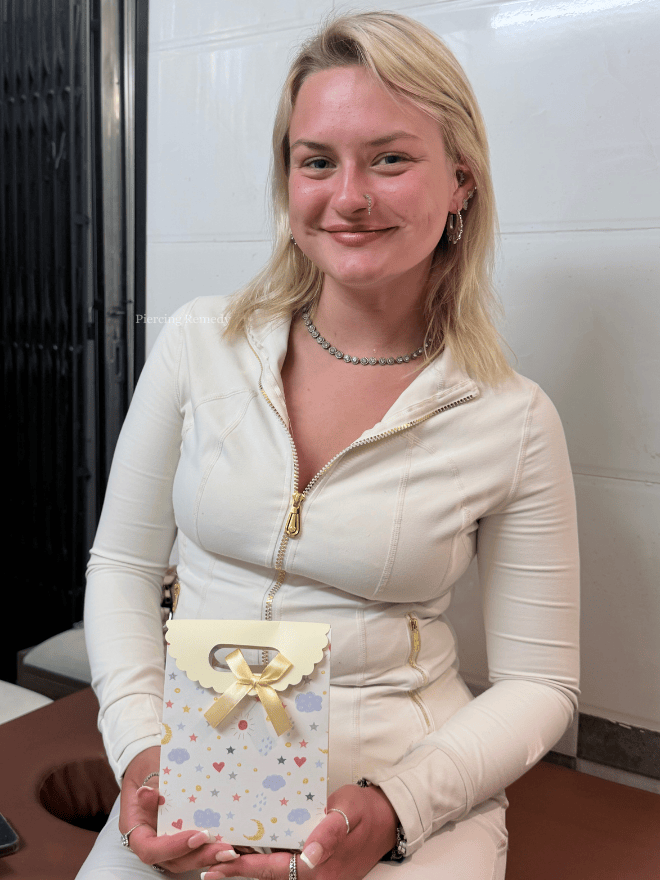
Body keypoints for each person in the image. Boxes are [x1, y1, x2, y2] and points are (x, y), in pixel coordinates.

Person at [78, 11, 579, 880]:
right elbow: (121, 567)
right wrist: (142, 751)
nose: (348, 196)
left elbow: (542, 683)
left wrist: (395, 807)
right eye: (316, 161)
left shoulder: (514, 418)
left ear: (460, 183)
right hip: (197, 768)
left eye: (389, 159)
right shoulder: (198, 344)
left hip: (404, 791)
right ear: (288, 179)